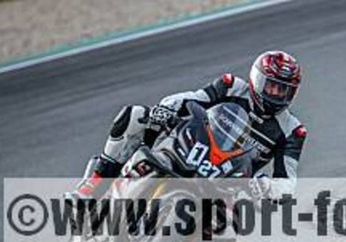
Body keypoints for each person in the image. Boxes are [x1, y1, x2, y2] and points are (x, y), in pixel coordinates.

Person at [68, 50, 307, 200]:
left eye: (283, 89)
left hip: (231, 182)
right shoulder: (231, 86)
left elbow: (287, 183)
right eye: (271, 85)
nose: (275, 93)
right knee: (135, 115)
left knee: (225, 235)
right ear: (257, 80)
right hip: (194, 147)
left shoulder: (292, 131)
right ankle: (94, 184)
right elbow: (192, 99)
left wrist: (266, 187)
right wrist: (166, 109)